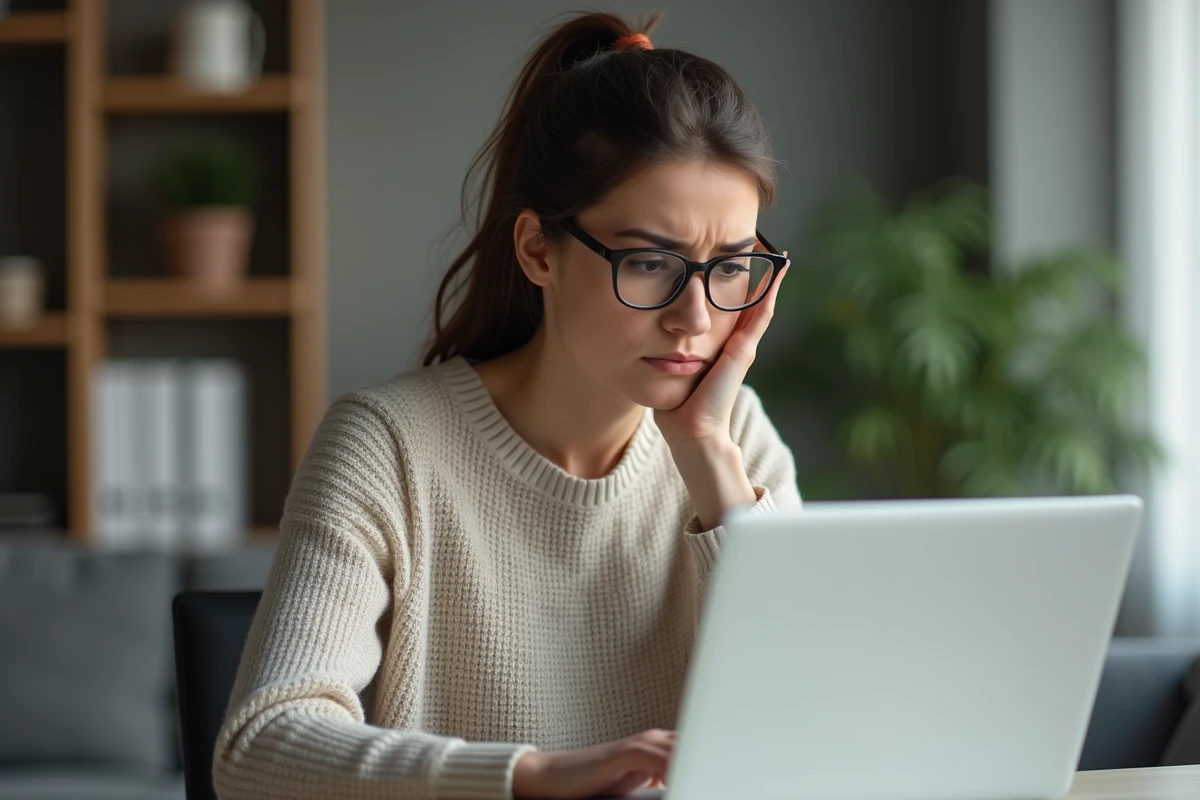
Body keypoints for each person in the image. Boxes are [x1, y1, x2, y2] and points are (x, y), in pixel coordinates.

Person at [213, 10, 801, 800]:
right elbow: (258, 750)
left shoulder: (738, 441)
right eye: (649, 262)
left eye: (730, 267)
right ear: (536, 250)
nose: (695, 317)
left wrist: (708, 461)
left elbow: (815, 728)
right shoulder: (388, 446)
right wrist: (531, 776)